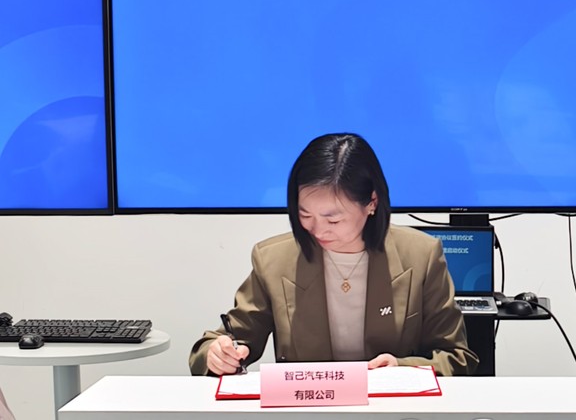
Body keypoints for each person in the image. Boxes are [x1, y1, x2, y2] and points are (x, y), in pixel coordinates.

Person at [189, 133, 478, 376]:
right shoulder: (273, 261)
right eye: (305, 215)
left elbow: (457, 357)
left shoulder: (421, 255)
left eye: (333, 219)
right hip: (308, 411)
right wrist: (217, 354)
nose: (317, 230)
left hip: (392, 412)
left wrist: (402, 369)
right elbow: (224, 340)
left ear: (372, 202)